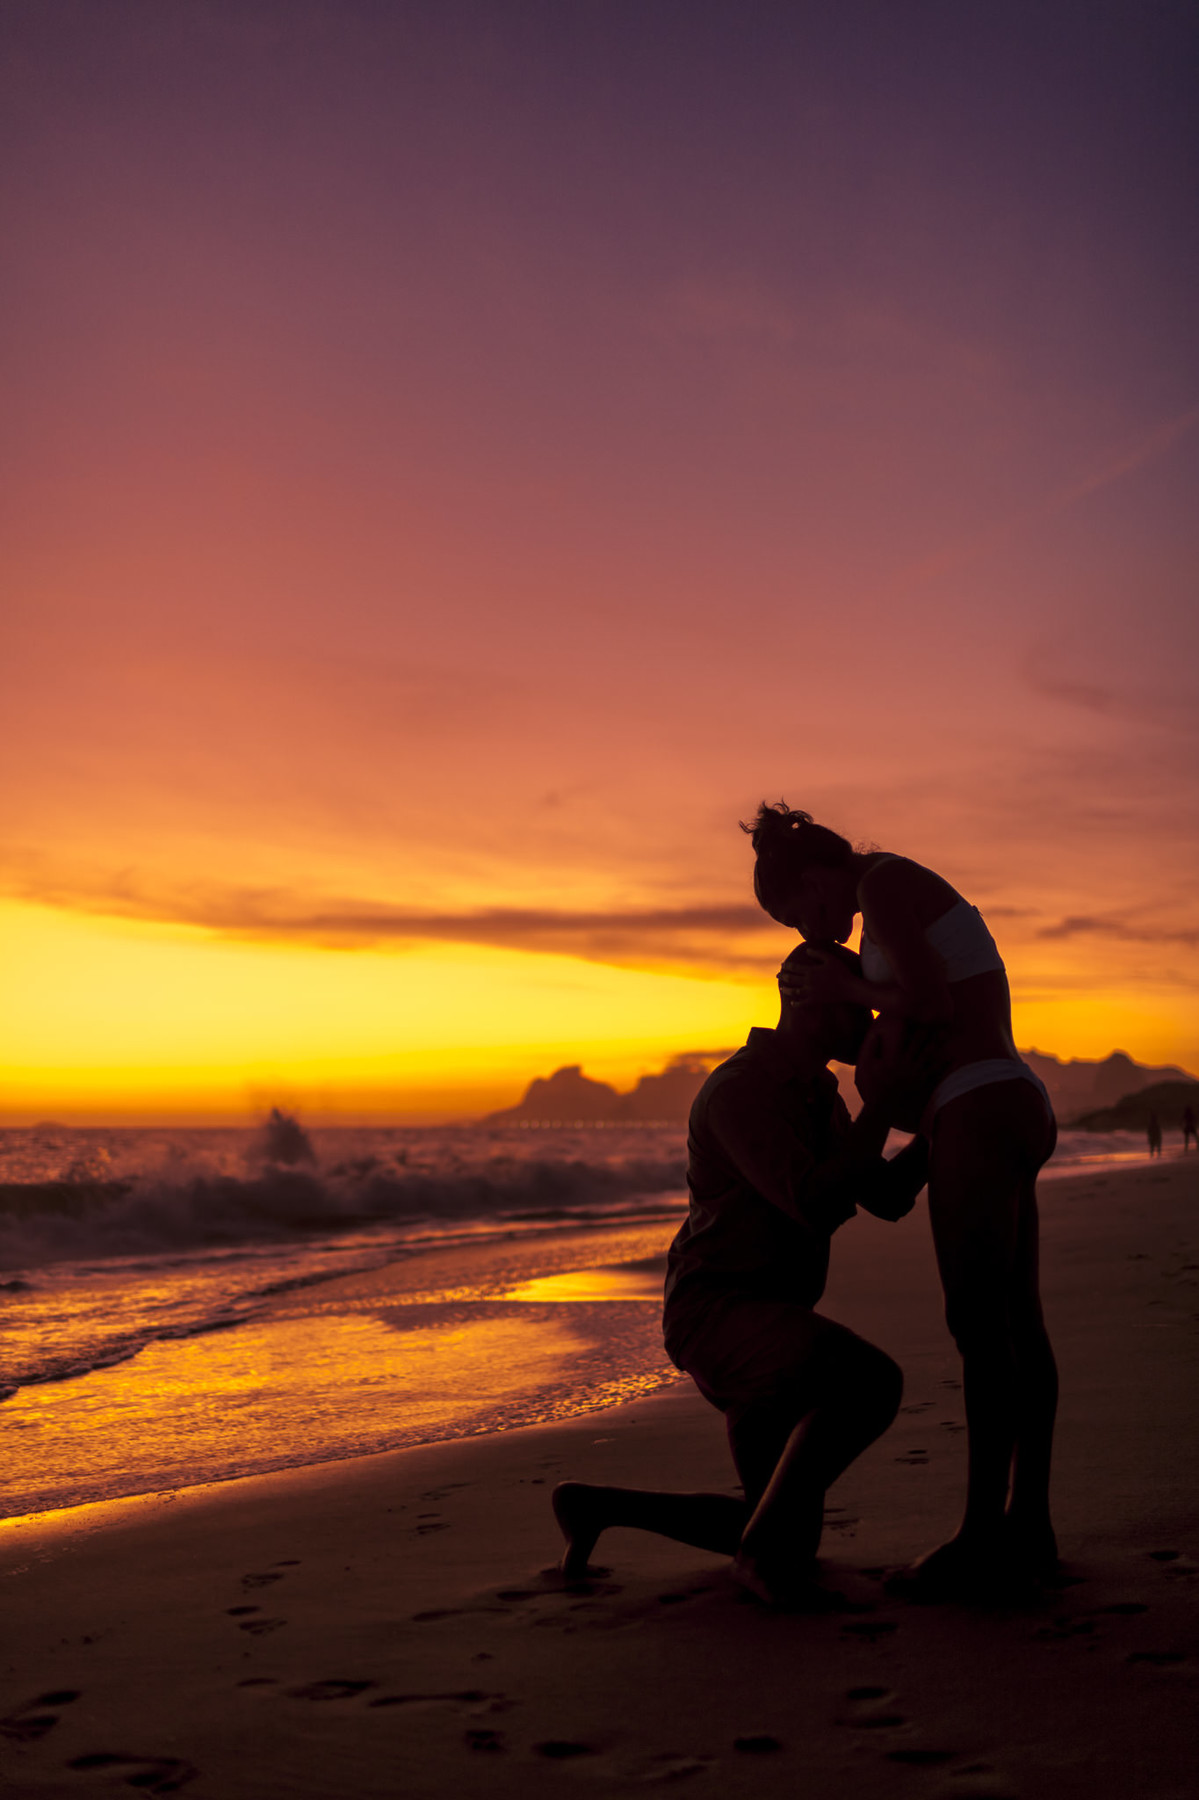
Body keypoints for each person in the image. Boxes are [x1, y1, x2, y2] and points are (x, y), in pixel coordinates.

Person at [552, 940, 936, 1608]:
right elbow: (813, 1199)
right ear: (816, 1003)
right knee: (869, 1383)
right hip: (719, 1313)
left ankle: (595, 1506)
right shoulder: (742, 1091)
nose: (873, 1023)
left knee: (784, 1529)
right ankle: (757, 1556)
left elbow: (886, 1196)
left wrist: (938, 1121)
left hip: (769, 1314)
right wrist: (883, 1104)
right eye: (861, 1007)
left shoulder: (817, 1092)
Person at [744, 803, 1059, 1598]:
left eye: (799, 912)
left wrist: (843, 982)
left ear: (817, 877)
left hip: (977, 1103)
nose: (816, 929)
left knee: (978, 1327)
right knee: (1017, 1324)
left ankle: (983, 1536)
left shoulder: (882, 881)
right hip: (1000, 1099)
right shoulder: (890, 900)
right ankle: (1029, 1525)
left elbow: (929, 1003)